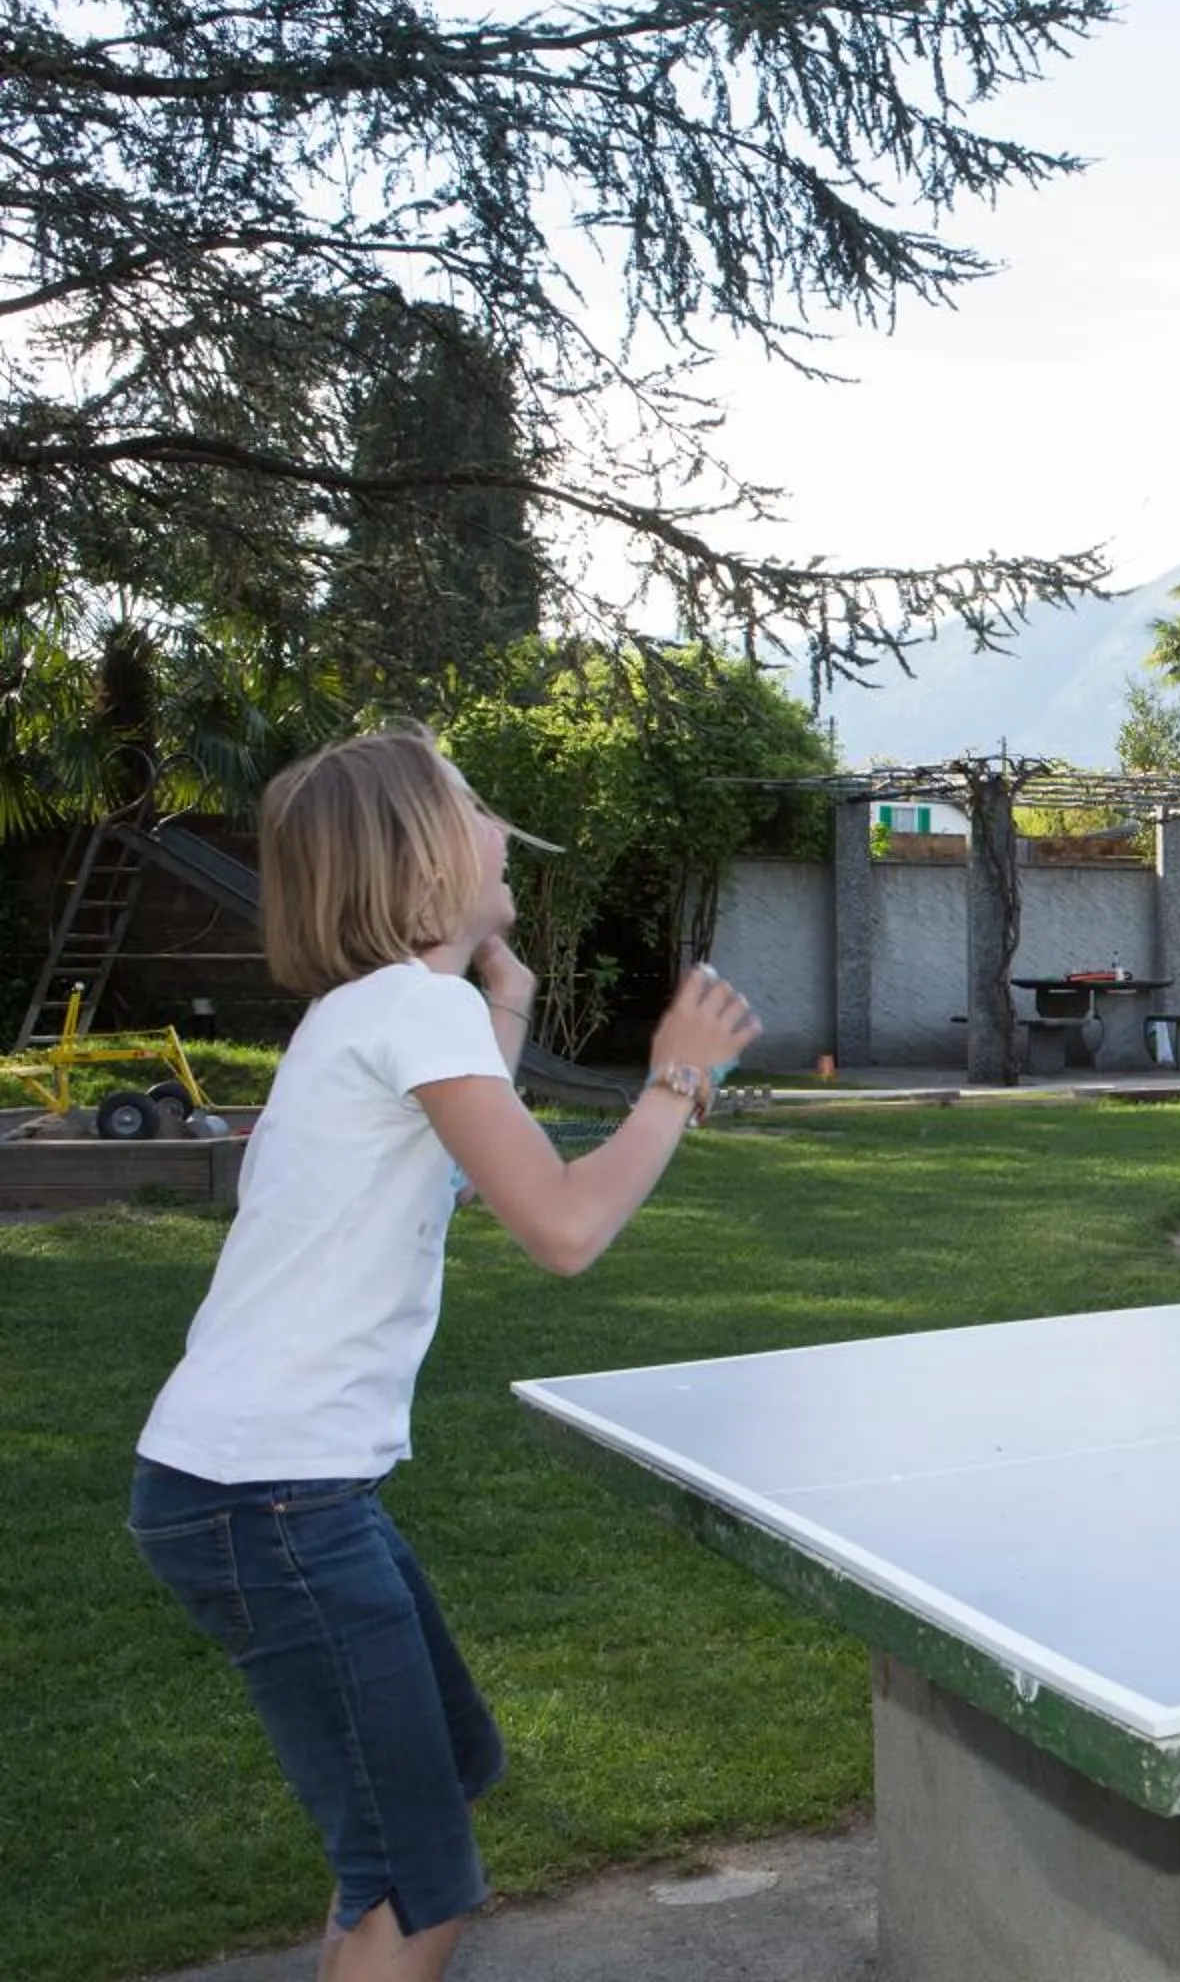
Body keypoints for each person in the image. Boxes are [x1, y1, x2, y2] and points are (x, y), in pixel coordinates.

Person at [125, 725, 762, 1982]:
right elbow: (565, 1226)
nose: (499, 825)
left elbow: (460, 1171)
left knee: (443, 1778)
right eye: (473, 805)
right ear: (422, 858)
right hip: (271, 1499)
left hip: (257, 1490)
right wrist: (678, 1077)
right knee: (420, 1886)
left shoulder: (370, 1013)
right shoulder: (414, 1011)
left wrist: (503, 996)